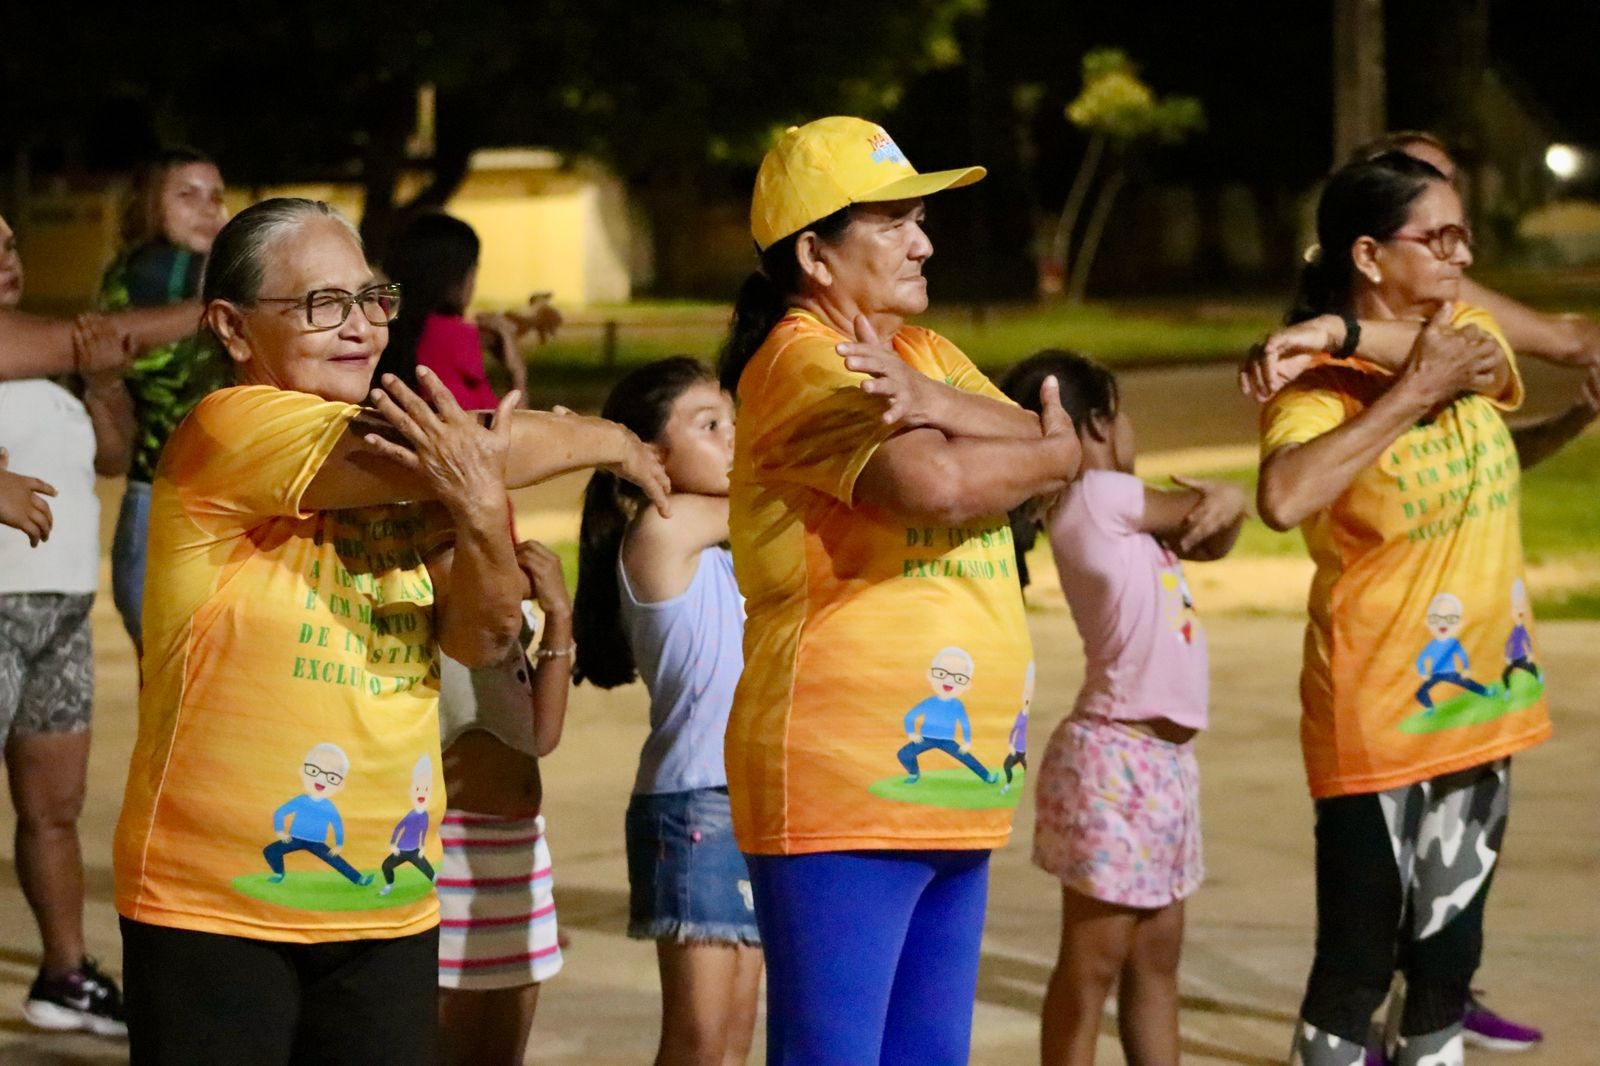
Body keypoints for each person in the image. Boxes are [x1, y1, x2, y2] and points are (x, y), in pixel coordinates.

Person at [110, 197, 669, 1065]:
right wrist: (613, 439)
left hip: (388, 900)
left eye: (372, 299)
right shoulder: (229, 426)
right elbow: (450, 449)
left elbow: (478, 639)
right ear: (231, 326)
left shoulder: (407, 471)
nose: (361, 328)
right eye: (321, 305)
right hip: (217, 905)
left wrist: (482, 516)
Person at [719, 116, 1081, 1064]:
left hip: (955, 787)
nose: (925, 241)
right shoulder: (802, 360)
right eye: (894, 222)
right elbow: (945, 483)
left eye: (922, 217)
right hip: (844, 784)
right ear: (814, 253)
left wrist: (938, 406)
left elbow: (1066, 450)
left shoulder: (922, 354)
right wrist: (997, 442)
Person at [1252, 155, 1550, 1066]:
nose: (1463, 256)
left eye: (1465, 235)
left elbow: (1469, 359)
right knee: (1353, 966)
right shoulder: (1316, 396)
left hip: (1484, 710)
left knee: (1448, 963)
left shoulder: (1463, 338)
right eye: (1441, 237)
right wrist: (1391, 389)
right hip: (1376, 721)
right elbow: (1283, 497)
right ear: (1371, 254)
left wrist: (1334, 327)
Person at [1001, 350, 1245, 1066]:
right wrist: (1227, 493)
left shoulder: (1112, 515)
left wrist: (1226, 507)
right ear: (1101, 424)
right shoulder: (1102, 496)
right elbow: (1210, 514)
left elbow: (1212, 538)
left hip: (1162, 763)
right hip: (1116, 763)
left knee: (1154, 960)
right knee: (1093, 965)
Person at [573, 356, 763, 1066]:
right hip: (696, 806)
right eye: (710, 426)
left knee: (734, 1036)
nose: (734, 440)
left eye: (734, 423)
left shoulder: (720, 544)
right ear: (649, 454)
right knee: (699, 1042)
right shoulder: (662, 529)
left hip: (745, 798)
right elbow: (774, 502)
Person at [0, 212, 135, 1035]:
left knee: (54, 807)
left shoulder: (51, 361)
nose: (6, 262)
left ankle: (64, 975)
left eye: (10, 247)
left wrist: (105, 385)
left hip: (60, 615)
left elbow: (113, 455)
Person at [434, 536, 573, 1066]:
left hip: (520, 858)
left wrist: (558, 617)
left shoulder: (506, 628)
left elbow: (541, 736)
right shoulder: (442, 585)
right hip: (452, 858)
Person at [97, 146, 231, 653]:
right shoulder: (158, 269)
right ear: (150, 205)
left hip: (170, 504)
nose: (208, 208)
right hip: (171, 506)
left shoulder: (159, 272)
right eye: (186, 194)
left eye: (216, 196)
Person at [376, 210, 560, 405]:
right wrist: (516, 373)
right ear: (457, 276)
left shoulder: (386, 323)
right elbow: (510, 428)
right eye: (473, 270)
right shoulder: (455, 337)